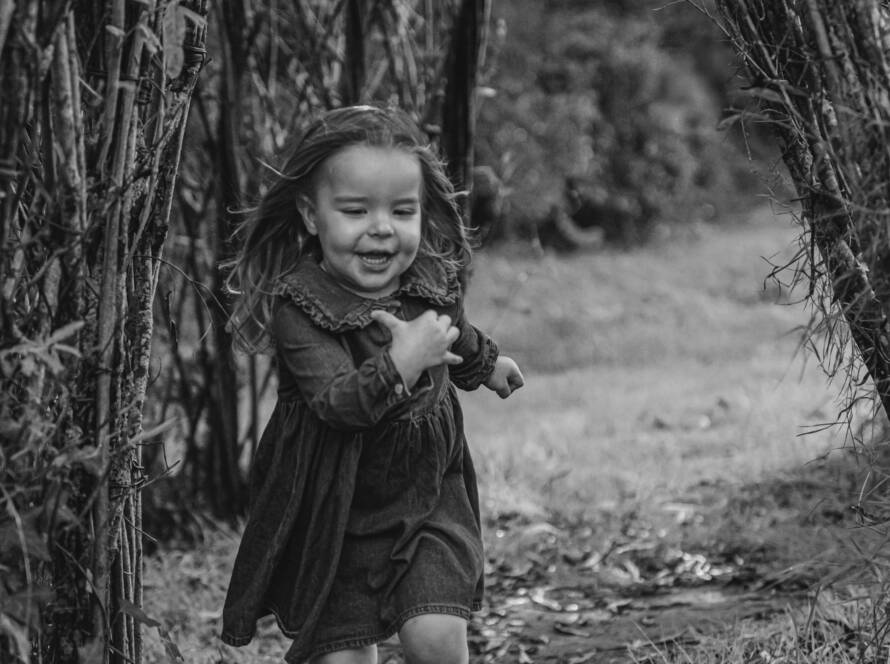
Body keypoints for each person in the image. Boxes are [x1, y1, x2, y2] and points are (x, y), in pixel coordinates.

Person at [220, 105, 524, 664]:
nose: (381, 227)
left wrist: (485, 365)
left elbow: (452, 331)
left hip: (428, 493)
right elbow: (338, 405)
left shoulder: (425, 279)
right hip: (334, 506)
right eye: (356, 210)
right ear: (312, 216)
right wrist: (401, 364)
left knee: (435, 634)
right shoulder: (301, 310)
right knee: (344, 655)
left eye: (401, 210)